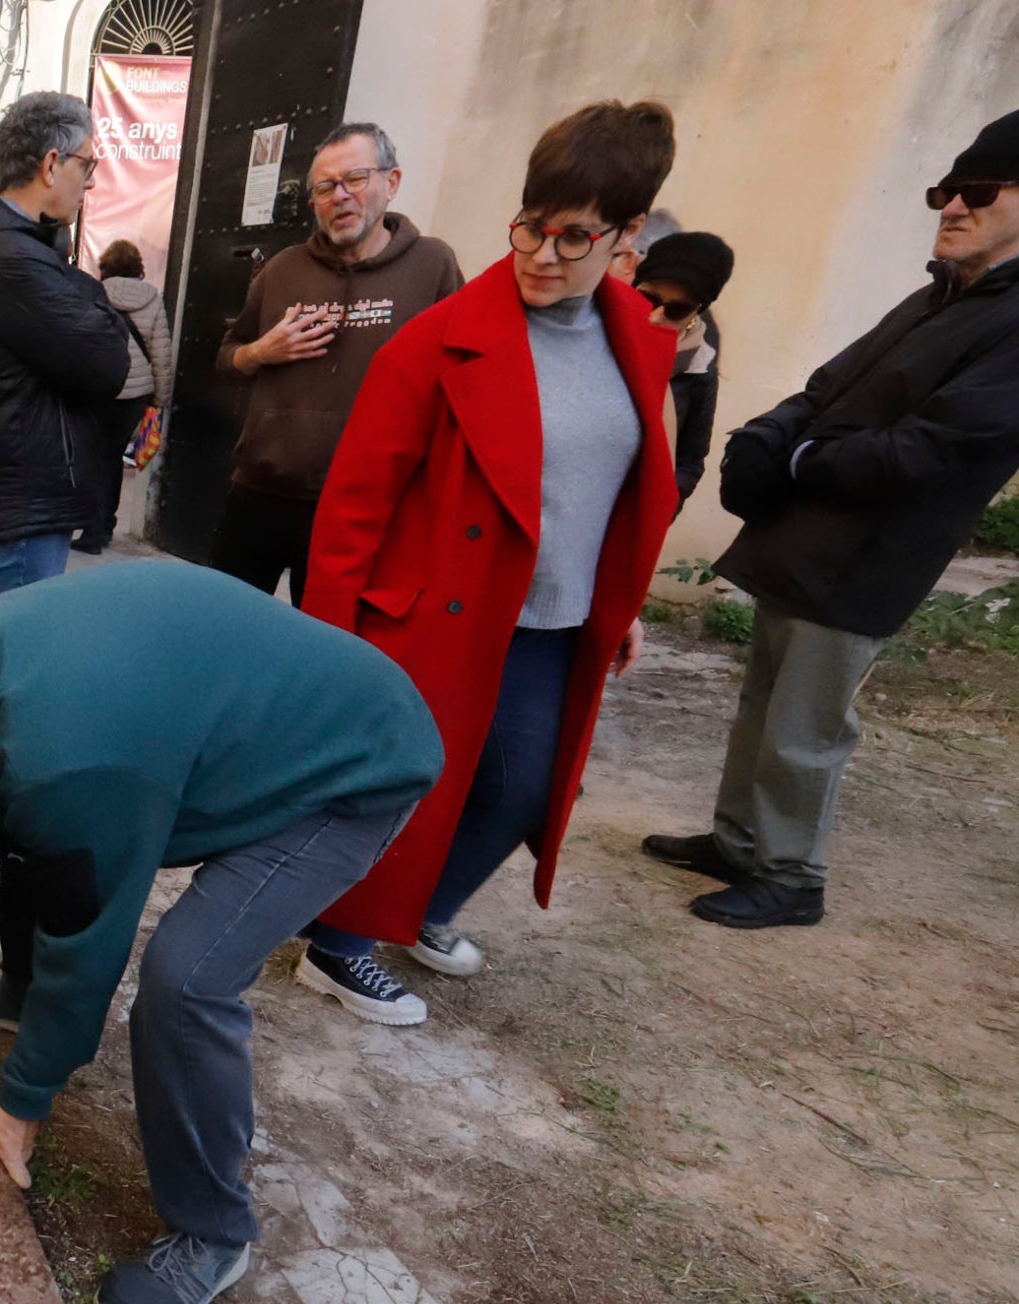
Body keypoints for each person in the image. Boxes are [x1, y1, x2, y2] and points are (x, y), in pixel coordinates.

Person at [0, 564, 442, 1304]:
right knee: (38, 824)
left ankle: (213, 1233)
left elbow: (87, 935)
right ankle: (20, 999)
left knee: (186, 980)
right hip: (259, 720)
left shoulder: (68, 755)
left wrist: (26, 1097)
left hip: (348, 769)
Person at [292, 100, 682, 1025]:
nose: (543, 255)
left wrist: (615, 604)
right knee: (414, 780)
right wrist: (328, 644)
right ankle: (340, 945)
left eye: (574, 236)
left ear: (627, 236)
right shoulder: (438, 339)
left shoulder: (637, 337)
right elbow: (355, 504)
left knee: (528, 791)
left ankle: (419, 908)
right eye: (530, 228)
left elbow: (621, 486)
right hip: (442, 609)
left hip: (557, 613)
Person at [644, 109, 1019, 929]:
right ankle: (739, 840)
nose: (952, 206)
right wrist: (764, 438)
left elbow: (931, 450)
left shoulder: (1011, 321)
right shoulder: (937, 297)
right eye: (944, 190)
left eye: (977, 190)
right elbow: (825, 388)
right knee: (763, 706)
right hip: (806, 541)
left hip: (869, 558)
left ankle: (790, 875)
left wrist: (805, 460)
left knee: (807, 728)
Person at [209, 122, 464, 604]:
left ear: (391, 183)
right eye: (325, 187)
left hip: (360, 509)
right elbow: (226, 359)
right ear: (313, 203)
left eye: (356, 178)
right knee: (224, 628)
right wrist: (262, 352)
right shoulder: (282, 270)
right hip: (260, 492)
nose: (340, 196)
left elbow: (461, 383)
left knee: (326, 645)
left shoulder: (433, 267)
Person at [0, 91, 131, 602]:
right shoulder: (11, 261)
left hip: (20, 503)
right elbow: (111, 363)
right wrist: (92, 294)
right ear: (52, 164)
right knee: (19, 664)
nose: (90, 182)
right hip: (20, 508)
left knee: (17, 649)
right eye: (87, 164)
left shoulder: (12, 250)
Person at [77, 239, 172, 554]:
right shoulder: (153, 299)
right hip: (135, 396)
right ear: (137, 267)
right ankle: (104, 527)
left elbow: (83, 344)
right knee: (113, 459)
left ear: (106, 267)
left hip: (99, 390)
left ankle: (91, 530)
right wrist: (160, 398)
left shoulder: (94, 294)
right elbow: (160, 353)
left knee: (92, 459)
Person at [634, 230, 735, 504]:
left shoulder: (698, 370)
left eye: (676, 310)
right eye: (648, 299)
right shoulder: (594, 332)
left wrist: (657, 511)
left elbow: (689, 462)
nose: (656, 317)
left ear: (695, 314)